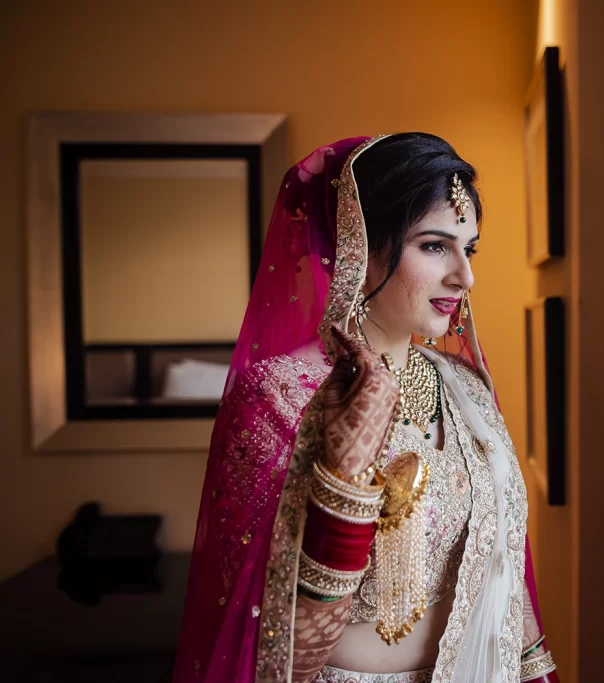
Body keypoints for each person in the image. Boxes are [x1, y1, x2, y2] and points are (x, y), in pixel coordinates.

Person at [172, 134, 559, 683]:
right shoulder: (280, 397)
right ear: (357, 246)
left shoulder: (466, 389)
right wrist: (346, 477)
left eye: (467, 249)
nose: (464, 277)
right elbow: (274, 650)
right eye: (433, 246)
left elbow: (503, 577)